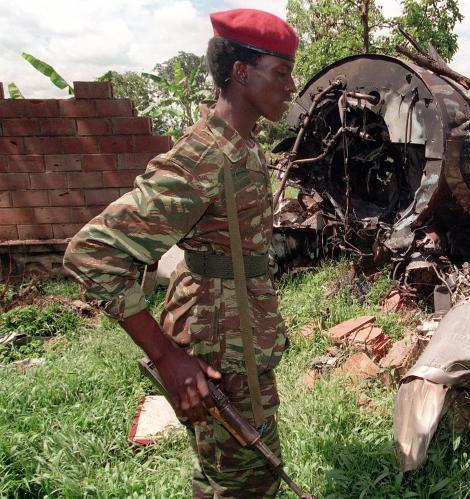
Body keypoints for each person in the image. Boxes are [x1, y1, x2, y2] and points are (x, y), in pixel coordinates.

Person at [63, 8, 298, 498]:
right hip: (218, 353)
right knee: (247, 483)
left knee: (225, 478)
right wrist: (167, 356)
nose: (291, 86)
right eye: (281, 73)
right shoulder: (204, 158)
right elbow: (91, 252)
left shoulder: (243, 145)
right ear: (240, 73)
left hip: (239, 339)